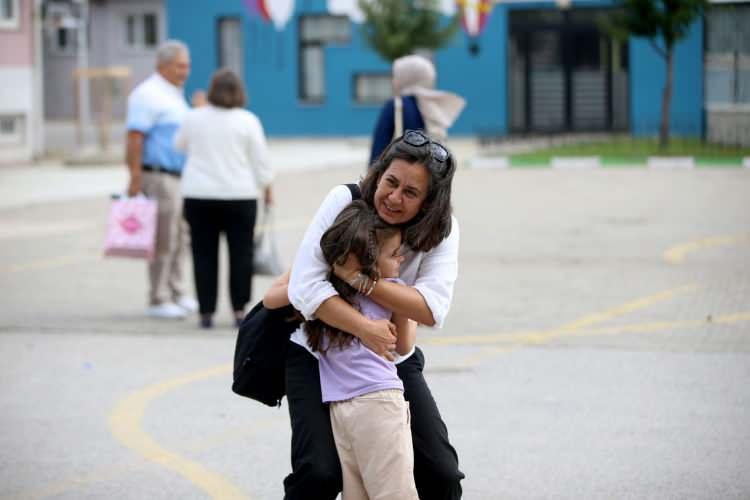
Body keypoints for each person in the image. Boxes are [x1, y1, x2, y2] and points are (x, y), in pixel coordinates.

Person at [284, 130, 465, 499]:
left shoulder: (442, 232)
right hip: (318, 352)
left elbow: (431, 308)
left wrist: (358, 279)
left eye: (411, 193)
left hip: (388, 360)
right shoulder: (344, 200)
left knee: (442, 474)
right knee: (319, 473)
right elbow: (304, 288)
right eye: (391, 182)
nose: (394, 198)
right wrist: (365, 327)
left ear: (429, 203)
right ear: (378, 174)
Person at [174, 68, 273, 329]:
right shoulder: (248, 120)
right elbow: (261, 161)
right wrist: (267, 187)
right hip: (240, 195)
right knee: (241, 254)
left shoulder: (193, 117)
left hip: (199, 195)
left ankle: (206, 312)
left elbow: (179, 145)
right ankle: (239, 310)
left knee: (203, 254)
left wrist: (197, 108)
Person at [125, 39, 197, 319]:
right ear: (163, 65)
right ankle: (158, 296)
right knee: (163, 238)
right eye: (180, 66)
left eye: (187, 65)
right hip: (158, 176)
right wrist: (134, 176)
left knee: (180, 237)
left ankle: (177, 291)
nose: (185, 71)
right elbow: (134, 137)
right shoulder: (148, 94)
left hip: (179, 178)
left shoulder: (173, 92)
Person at [368, 54, 465, 165]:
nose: (393, 80)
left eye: (395, 75)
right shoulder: (434, 106)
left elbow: (378, 151)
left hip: (399, 175)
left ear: (405, 77)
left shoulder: (395, 105)